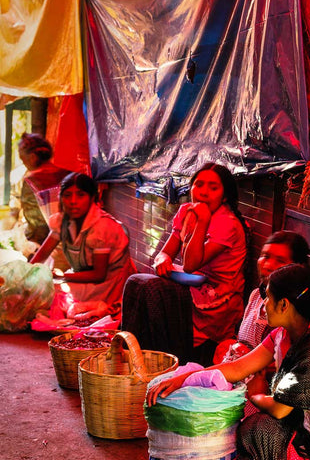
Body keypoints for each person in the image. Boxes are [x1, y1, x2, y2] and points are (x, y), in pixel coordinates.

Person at [146, 263, 310, 460]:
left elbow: (280, 410)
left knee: (255, 429)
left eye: (268, 298)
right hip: (303, 429)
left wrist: (255, 395)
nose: (263, 304)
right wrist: (182, 380)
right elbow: (237, 368)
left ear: (284, 305)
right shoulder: (283, 334)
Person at [121, 162, 248, 365]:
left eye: (213, 188)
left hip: (217, 300)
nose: (204, 192)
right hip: (193, 287)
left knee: (151, 289)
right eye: (199, 185)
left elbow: (190, 264)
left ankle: (164, 362)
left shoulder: (228, 224)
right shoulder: (186, 211)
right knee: (136, 283)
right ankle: (131, 357)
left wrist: (203, 221)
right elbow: (165, 253)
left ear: (224, 197)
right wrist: (162, 261)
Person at [30, 172, 136, 319]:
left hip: (109, 285)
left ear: (92, 198)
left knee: (50, 293)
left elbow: (99, 275)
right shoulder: (62, 221)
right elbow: (41, 255)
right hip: (83, 277)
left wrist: (60, 276)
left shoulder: (102, 227)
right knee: (36, 289)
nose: (73, 201)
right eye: (67, 195)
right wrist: (25, 275)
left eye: (80, 195)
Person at [216, 230, 310, 363]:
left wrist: (245, 360)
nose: (268, 265)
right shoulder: (256, 295)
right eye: (265, 256)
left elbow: (286, 363)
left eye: (280, 260)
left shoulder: (293, 311)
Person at [17, 133, 71, 245]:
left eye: (23, 159)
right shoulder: (69, 175)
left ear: (32, 158)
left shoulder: (32, 181)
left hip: (49, 247)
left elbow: (37, 227)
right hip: (74, 244)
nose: (24, 164)